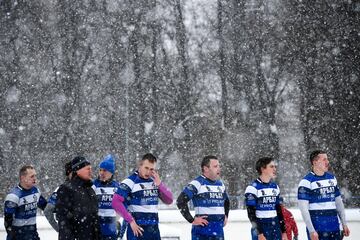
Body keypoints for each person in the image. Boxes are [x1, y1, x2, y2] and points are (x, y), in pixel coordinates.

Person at [112, 153, 173, 240]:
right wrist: (131, 221)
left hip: (154, 230)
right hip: (137, 230)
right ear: (140, 165)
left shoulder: (155, 182)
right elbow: (115, 202)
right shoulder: (130, 181)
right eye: (146, 168)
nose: (148, 172)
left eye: (151, 169)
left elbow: (169, 200)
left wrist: (160, 184)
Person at [298, 150, 350, 240]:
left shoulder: (332, 178)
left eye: (327, 159)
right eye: (324, 159)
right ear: (315, 162)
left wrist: (344, 224)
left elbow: (339, 203)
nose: (327, 162)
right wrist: (311, 230)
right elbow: (304, 210)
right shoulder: (306, 182)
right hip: (318, 231)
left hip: (335, 229)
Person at [177, 155, 230, 240]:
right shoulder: (197, 183)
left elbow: (226, 201)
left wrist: (226, 216)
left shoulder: (220, 184)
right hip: (202, 233)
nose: (219, 168)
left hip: (218, 233)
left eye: (219, 166)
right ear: (206, 168)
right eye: (215, 166)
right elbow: (180, 201)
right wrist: (192, 220)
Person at [56, 156, 100, 240]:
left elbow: (95, 218)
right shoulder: (66, 189)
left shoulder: (90, 189)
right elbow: (63, 220)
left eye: (91, 168)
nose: (91, 171)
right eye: (88, 169)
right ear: (78, 170)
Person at [244, 157, 288, 240]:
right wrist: (259, 233)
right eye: (271, 167)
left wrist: (284, 231)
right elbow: (251, 214)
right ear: (263, 169)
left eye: (275, 167)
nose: (275, 169)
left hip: (275, 226)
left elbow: (279, 210)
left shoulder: (275, 187)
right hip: (261, 226)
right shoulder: (252, 188)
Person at [4, 165, 47, 240]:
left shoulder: (36, 191)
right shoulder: (13, 196)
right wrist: (11, 235)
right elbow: (8, 221)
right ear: (23, 178)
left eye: (35, 176)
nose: (35, 178)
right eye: (32, 176)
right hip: (18, 236)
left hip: (33, 235)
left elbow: (46, 206)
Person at [92, 154, 121, 240]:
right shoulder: (94, 185)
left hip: (111, 228)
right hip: (97, 227)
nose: (101, 173)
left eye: (104, 170)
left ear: (111, 172)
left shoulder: (117, 187)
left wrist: (117, 222)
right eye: (100, 170)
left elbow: (121, 206)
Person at [44, 161, 72, 232]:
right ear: (69, 173)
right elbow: (47, 211)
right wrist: (59, 229)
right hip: (68, 233)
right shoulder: (61, 189)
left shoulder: (88, 188)